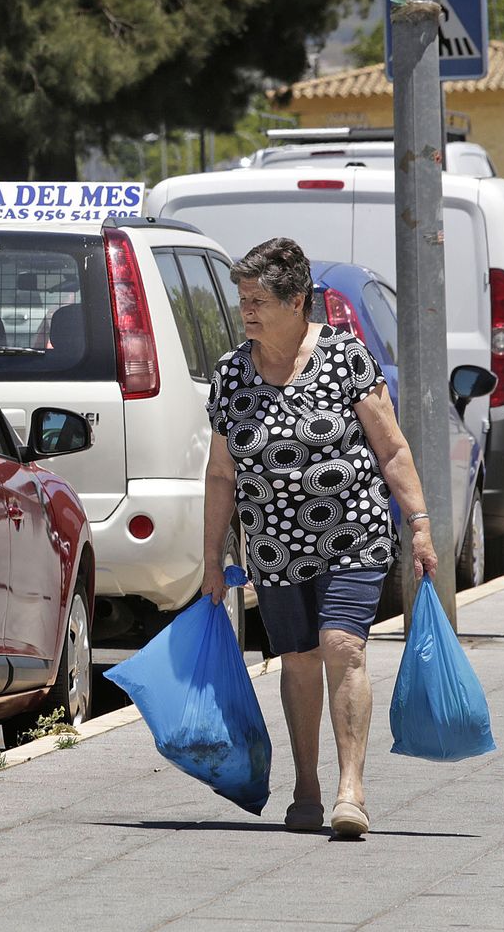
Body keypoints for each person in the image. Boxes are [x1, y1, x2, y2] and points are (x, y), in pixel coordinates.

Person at [201, 237, 437, 838]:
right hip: (274, 547)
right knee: (299, 659)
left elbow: (391, 449)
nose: (246, 311)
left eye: (258, 301)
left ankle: (350, 789)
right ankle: (305, 786)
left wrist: (419, 524)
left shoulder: (345, 358)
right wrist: (210, 561)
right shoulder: (231, 374)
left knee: (342, 645)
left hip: (351, 533)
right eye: (242, 300)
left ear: (296, 300)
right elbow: (221, 474)